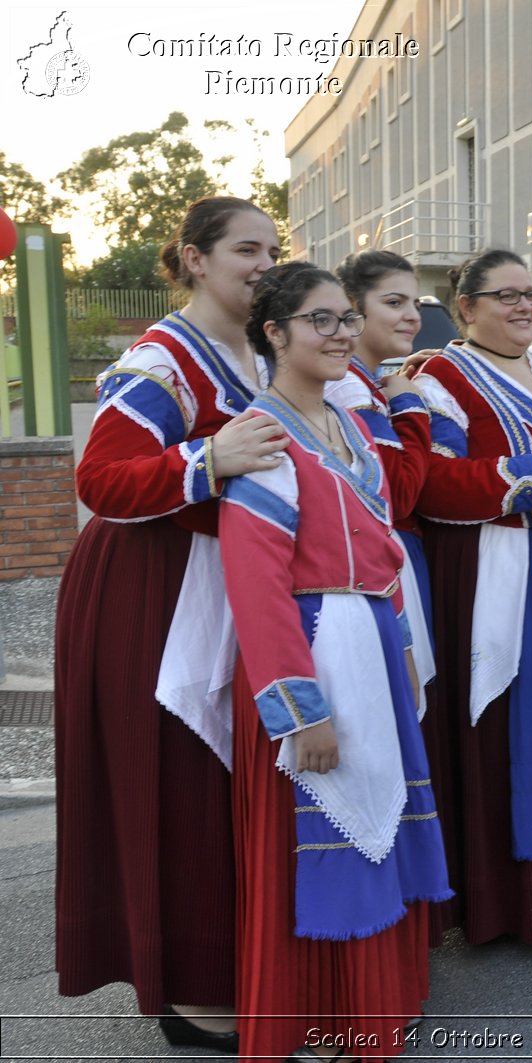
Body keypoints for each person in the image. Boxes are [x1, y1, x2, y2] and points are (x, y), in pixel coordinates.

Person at [55, 196, 285, 1053]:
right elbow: (103, 479)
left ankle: (234, 966)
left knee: (227, 789)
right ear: (193, 259)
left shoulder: (255, 351)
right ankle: (192, 996)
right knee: (183, 786)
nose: (263, 263)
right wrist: (208, 457)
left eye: (273, 248)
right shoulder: (162, 359)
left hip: (224, 582)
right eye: (244, 250)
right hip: (152, 594)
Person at [222, 262, 449, 1061]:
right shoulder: (265, 435)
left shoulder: (351, 427)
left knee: (376, 819)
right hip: (314, 651)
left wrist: (407, 646)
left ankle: (373, 1005)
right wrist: (300, 707)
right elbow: (255, 586)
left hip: (372, 643)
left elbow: (384, 550)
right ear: (275, 333)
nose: (343, 333)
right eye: (321, 320)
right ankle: (324, 1017)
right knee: (320, 834)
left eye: (347, 318)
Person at [413, 249, 532, 945]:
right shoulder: (440, 376)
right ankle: (516, 903)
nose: (524, 306)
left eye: (530, 294)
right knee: (513, 728)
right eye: (506, 296)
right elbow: (433, 486)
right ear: (464, 307)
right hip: (499, 570)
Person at [334, 250, 435, 692]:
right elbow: (399, 493)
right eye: (394, 303)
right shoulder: (348, 384)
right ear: (352, 310)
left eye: (415, 304)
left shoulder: (363, 379)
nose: (412, 316)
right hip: (375, 564)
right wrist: (412, 406)